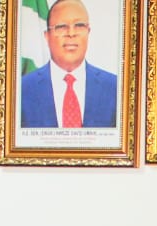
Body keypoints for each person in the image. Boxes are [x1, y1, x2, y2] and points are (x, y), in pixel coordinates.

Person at [20, 0, 118, 129]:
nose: (71, 33)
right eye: (61, 26)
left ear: (88, 32)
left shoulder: (115, 88)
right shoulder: (22, 89)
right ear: (47, 36)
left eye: (79, 25)